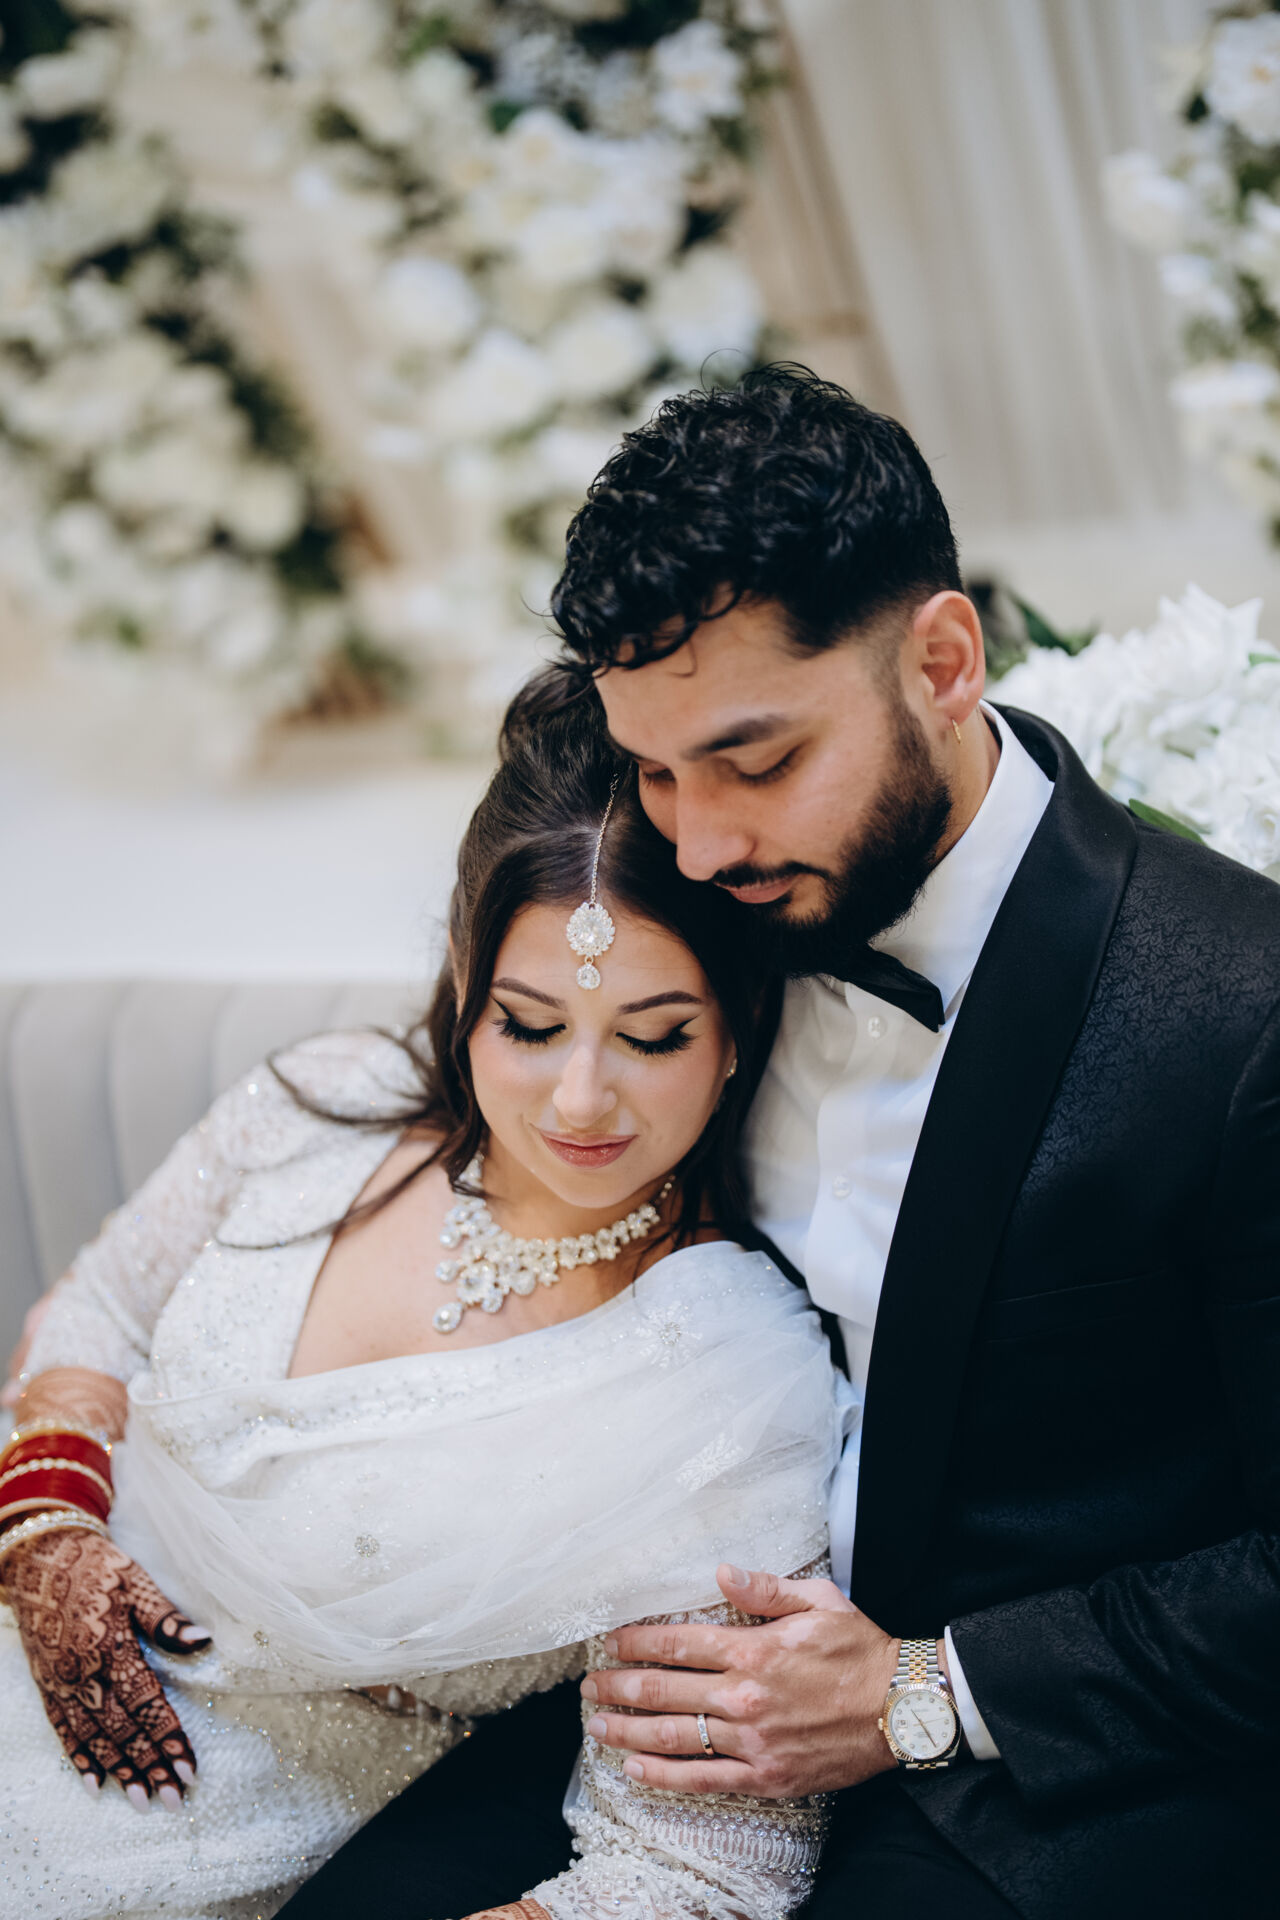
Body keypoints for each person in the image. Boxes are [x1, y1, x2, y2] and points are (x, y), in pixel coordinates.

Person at [316, 364, 1280, 1920]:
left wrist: (919, 1691)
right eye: (656, 771)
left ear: (944, 662)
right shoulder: (695, 913)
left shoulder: (1239, 1018)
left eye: (756, 763)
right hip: (649, 1675)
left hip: (1034, 1769)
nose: (699, 842)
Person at [0, 670, 856, 1920]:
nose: (579, 1100)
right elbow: (100, 1312)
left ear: (737, 1032)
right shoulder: (324, 1106)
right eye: (528, 1024)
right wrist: (47, 1530)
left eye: (652, 1035)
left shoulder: (728, 1389)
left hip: (197, 1860)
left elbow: (700, 1868)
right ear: (464, 981)